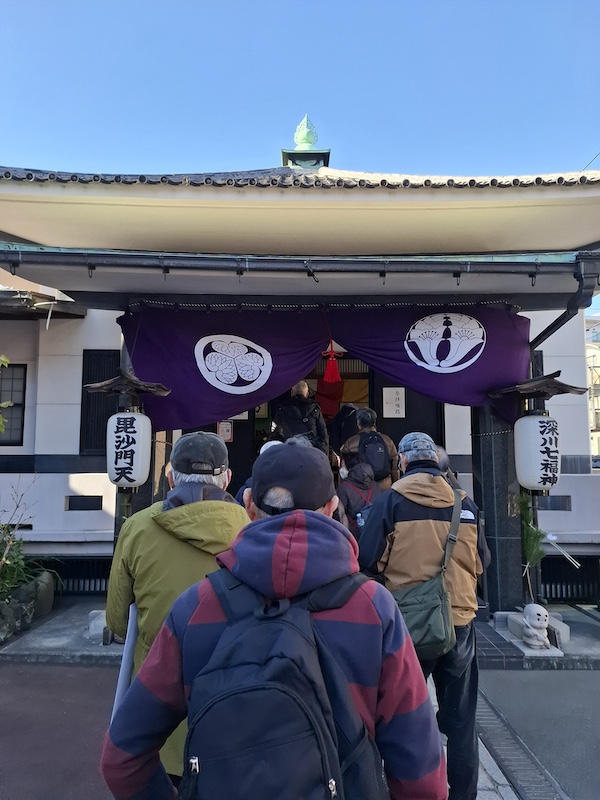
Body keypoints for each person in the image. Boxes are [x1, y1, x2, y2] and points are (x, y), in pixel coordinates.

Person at [101, 438, 448, 800]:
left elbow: (122, 757)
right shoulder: (374, 609)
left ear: (249, 505)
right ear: (332, 508)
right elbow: (422, 779)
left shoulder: (197, 606)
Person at [105, 431, 249, 786]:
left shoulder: (138, 527)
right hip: (235, 710)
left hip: (159, 714)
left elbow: (118, 621)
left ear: (170, 476)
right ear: (227, 478)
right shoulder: (251, 531)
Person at [358, 432, 489, 800]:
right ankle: (463, 794)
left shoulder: (390, 502)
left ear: (402, 461)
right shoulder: (465, 504)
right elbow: (483, 563)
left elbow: (367, 560)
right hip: (459, 623)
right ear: (436, 460)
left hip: (408, 625)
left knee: (400, 717)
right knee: (461, 723)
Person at [341, 407, 399, 489]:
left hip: (360, 488)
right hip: (384, 487)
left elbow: (344, 471)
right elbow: (395, 468)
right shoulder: (387, 440)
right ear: (374, 422)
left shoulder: (351, 442)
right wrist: (395, 485)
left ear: (358, 422)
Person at [273, 379, 329, 453]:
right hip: (310, 451)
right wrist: (322, 454)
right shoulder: (314, 409)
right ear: (307, 394)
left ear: (292, 392)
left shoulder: (282, 409)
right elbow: (323, 433)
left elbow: (275, 433)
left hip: (287, 451)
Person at [336, 450, 383, 537]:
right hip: (376, 533)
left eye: (342, 465)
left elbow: (338, 515)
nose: (341, 468)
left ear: (349, 468)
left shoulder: (344, 488)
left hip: (354, 535)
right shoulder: (376, 485)